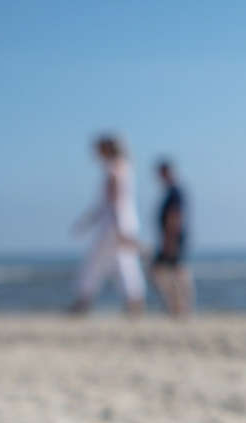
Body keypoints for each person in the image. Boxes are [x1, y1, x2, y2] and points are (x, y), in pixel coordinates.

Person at [70, 133, 145, 316]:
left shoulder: (115, 169)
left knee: (99, 264)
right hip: (122, 222)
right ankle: (133, 303)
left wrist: (119, 227)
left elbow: (113, 202)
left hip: (114, 224)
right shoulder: (124, 167)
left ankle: (84, 302)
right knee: (124, 263)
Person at [149, 158, 195, 318]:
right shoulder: (172, 191)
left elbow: (174, 217)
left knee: (174, 271)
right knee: (172, 271)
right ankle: (177, 306)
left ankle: (179, 307)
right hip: (171, 236)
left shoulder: (175, 192)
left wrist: (169, 241)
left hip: (173, 237)